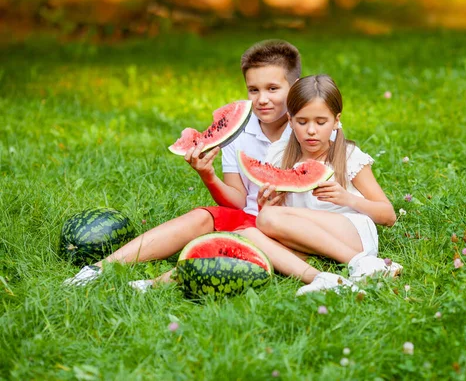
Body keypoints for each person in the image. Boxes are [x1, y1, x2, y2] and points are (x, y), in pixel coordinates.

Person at [64, 39, 324, 288]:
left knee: (234, 241)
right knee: (202, 216)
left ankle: (154, 284)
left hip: (294, 225)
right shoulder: (238, 131)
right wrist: (207, 175)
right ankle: (99, 268)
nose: (262, 99)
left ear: (296, 86)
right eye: (253, 90)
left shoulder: (311, 127)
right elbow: (237, 201)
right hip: (251, 218)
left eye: (272, 89)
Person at [253, 74, 402, 295]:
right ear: (290, 119)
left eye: (321, 122)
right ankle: (324, 279)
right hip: (306, 239)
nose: (311, 130)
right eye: (302, 122)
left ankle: (362, 262)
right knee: (249, 233)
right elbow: (279, 217)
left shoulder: (349, 155)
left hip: (352, 235)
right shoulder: (278, 156)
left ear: (336, 120)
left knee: (266, 220)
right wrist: (267, 203)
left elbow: (388, 215)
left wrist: (347, 199)